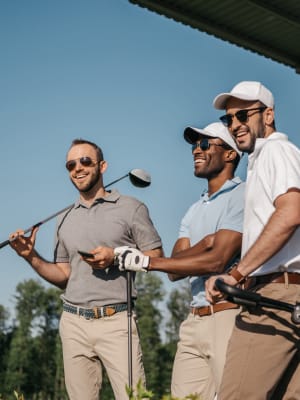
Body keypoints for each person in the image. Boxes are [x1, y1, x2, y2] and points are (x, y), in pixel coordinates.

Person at [9, 138, 163, 400]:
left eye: (85, 161)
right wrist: (29, 255)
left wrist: (115, 257)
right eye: (70, 165)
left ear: (102, 166)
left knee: (135, 397)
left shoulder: (132, 208)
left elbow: (155, 256)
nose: (77, 168)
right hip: (73, 322)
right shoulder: (64, 217)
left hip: (117, 321)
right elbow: (63, 277)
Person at [114, 122, 245, 399]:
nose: (197, 149)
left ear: (231, 154)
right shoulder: (194, 210)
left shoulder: (242, 195)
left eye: (206, 144)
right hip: (193, 321)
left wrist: (147, 262)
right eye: (195, 145)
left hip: (229, 316)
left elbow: (216, 261)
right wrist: (205, 243)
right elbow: (175, 269)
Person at [205, 81, 300, 400]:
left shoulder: (276, 151)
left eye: (243, 115)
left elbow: (290, 213)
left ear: (268, 115)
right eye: (228, 119)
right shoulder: (265, 159)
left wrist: (236, 274)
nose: (235, 125)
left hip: (275, 296)